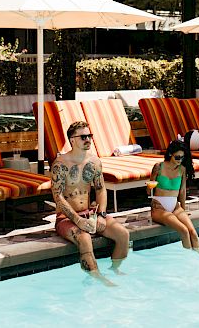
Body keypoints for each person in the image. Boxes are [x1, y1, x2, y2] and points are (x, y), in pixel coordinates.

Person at [51, 120, 130, 284]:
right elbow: (58, 196)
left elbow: (101, 189)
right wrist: (77, 220)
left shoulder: (94, 162)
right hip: (67, 218)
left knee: (123, 234)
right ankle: (96, 276)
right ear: (72, 140)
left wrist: (101, 215)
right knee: (84, 239)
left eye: (90, 136)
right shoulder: (60, 164)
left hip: (91, 214)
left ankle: (114, 269)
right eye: (83, 137)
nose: (88, 139)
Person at [149, 139, 199, 263]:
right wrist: (149, 187)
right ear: (170, 154)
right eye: (177, 157)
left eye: (182, 158)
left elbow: (182, 191)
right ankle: (188, 261)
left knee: (193, 232)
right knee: (183, 230)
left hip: (175, 206)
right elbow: (149, 190)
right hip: (159, 207)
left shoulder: (182, 169)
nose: (179, 160)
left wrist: (183, 209)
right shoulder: (158, 167)